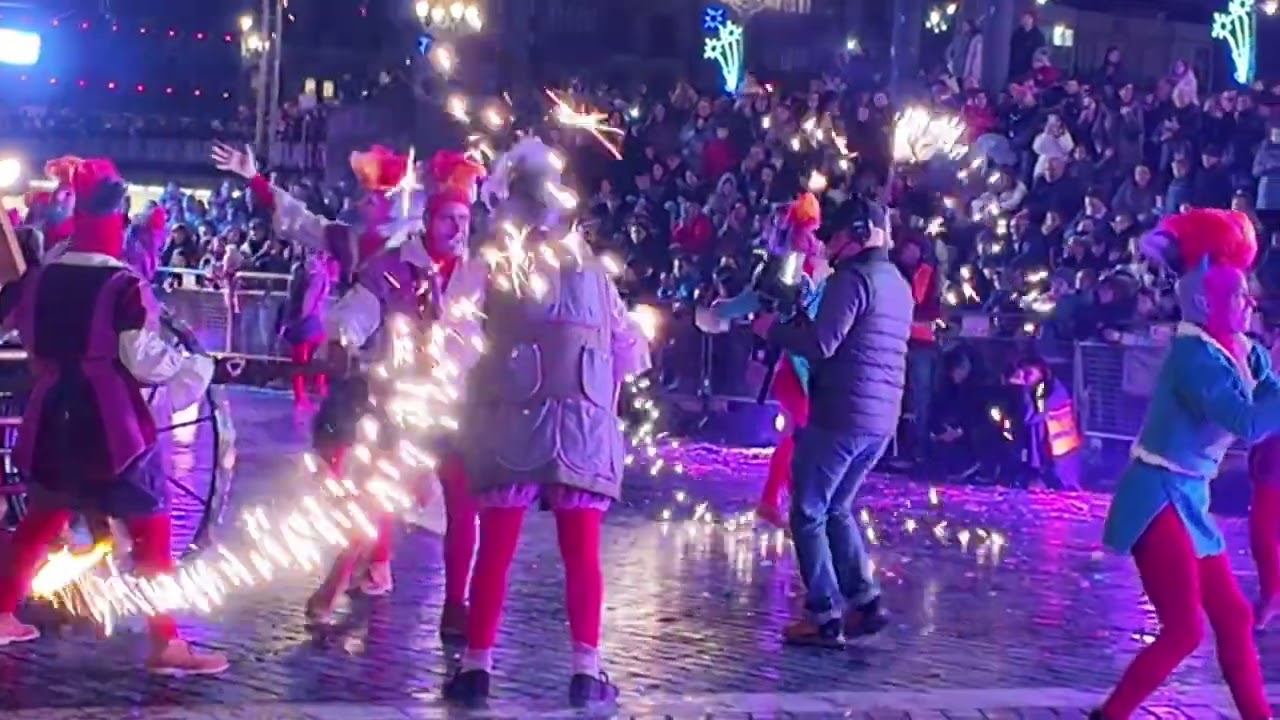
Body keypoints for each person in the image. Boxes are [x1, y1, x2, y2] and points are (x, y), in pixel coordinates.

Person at [212, 143, 486, 635]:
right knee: (367, 486)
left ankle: (453, 601)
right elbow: (314, 241)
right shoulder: (381, 256)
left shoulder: (478, 271)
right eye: (450, 219)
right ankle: (347, 569)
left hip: (456, 404)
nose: (372, 201)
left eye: (465, 219)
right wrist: (340, 338)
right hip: (389, 397)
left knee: (459, 502)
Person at [440, 136, 652, 708]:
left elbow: (454, 338)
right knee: (580, 551)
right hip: (581, 420)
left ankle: (476, 667)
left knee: (498, 545)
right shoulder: (592, 267)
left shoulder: (490, 259)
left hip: (512, 413)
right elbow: (631, 349)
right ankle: (587, 670)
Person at [0, 157, 228, 675]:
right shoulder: (122, 284)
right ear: (119, 216)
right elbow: (141, 355)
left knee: (41, 519)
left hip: (51, 412)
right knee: (152, 530)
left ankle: (1, 612)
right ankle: (165, 641)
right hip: (111, 422)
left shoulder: (45, 277)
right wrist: (194, 365)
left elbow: (24, 334)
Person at [1097, 209, 1275, 719]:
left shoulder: (1237, 348)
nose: (1248, 302)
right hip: (1155, 494)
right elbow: (1247, 419)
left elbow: (1267, 392)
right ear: (1209, 298)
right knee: (1183, 631)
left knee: (1235, 617)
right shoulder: (1194, 356)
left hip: (1190, 496)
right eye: (1237, 294)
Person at [751, 197, 912, 647]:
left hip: (841, 413)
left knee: (808, 511)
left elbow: (823, 344)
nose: (827, 243)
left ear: (855, 236)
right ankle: (865, 600)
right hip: (880, 419)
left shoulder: (853, 278)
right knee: (838, 507)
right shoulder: (896, 281)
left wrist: (773, 330)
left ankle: (823, 614)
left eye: (835, 235)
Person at [694, 192, 828, 529]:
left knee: (802, 435)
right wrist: (723, 311)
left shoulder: (814, 264)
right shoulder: (794, 265)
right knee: (801, 435)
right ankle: (785, 504)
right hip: (800, 365)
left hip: (809, 363)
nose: (805, 239)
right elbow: (762, 298)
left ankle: (783, 502)